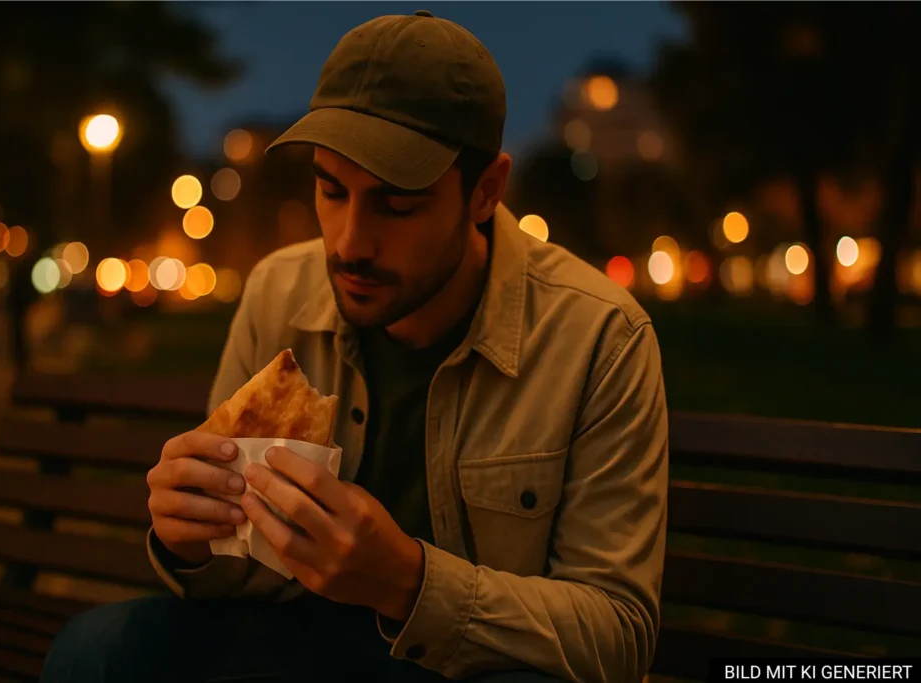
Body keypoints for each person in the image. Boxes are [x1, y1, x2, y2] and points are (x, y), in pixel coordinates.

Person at [40, 9, 668, 683]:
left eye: (397, 206)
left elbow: (617, 634)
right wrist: (189, 539)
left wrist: (408, 582)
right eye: (330, 189)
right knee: (94, 650)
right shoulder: (278, 292)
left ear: (485, 191)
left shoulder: (599, 335)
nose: (349, 243)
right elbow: (234, 568)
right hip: (289, 635)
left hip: (467, 666)